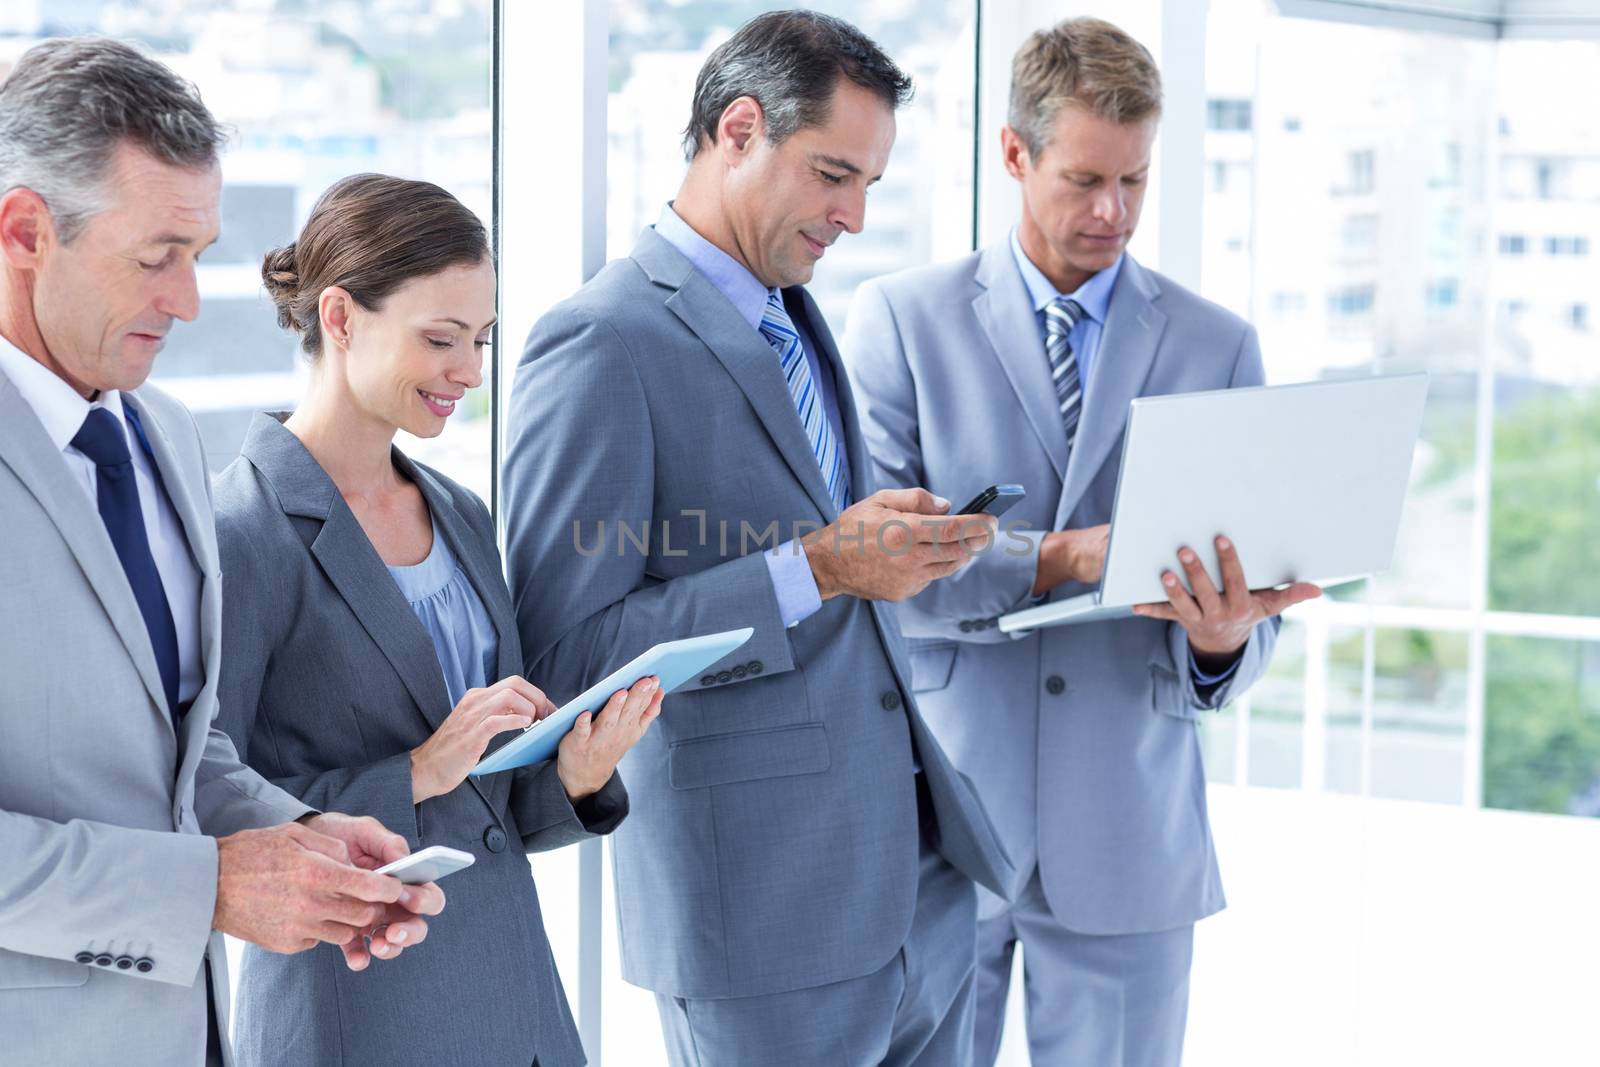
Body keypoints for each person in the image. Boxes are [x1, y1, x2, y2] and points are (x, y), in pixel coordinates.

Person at [504, 10, 1012, 1066]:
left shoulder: (797, 311)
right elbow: (566, 659)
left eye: (870, 183)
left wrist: (882, 557)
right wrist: (816, 567)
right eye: (835, 174)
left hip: (916, 880)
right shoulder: (600, 341)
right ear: (738, 129)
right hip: (764, 914)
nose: (855, 216)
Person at [842, 18, 1321, 1067]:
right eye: (1084, 178)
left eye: (1136, 181)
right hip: (939, 827)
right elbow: (872, 577)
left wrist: (1221, 642)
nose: (1112, 212)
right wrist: (1059, 555)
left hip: (1129, 830)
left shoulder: (1216, 343)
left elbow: (1247, 604)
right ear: (1013, 155)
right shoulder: (898, 323)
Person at [0, 38, 443, 1067]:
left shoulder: (165, 435)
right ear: (26, 230)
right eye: (157, 256)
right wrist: (210, 885)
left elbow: (186, 752)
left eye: (198, 254)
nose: (189, 301)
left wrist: (311, 848)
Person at [211, 173, 657, 1067]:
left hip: (520, 1004)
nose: (471, 371)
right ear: (339, 317)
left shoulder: (460, 513)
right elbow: (216, 820)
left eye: (482, 339)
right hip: (359, 1014)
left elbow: (487, 809)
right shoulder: (241, 529)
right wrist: (413, 770)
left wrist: (573, 772)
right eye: (442, 338)